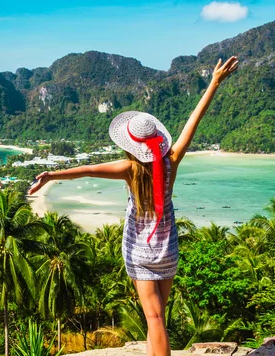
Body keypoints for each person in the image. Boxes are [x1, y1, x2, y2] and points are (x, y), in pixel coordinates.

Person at [28, 56, 239, 356]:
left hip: (139, 253)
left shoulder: (128, 169)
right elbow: (194, 121)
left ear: (129, 144)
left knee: (153, 319)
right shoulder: (172, 162)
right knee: (158, 319)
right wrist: (214, 83)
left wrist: (50, 176)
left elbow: (87, 169)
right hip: (167, 250)